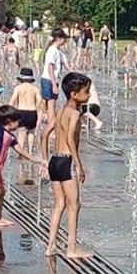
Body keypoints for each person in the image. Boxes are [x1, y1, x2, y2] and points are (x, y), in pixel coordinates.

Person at [41, 72, 94, 259]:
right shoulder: (75, 114)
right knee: (74, 205)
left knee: (59, 205)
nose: (89, 95)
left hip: (55, 160)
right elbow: (71, 139)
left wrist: (45, 160)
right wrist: (79, 165)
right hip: (67, 161)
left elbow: (44, 135)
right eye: (86, 92)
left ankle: (51, 246)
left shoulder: (60, 111)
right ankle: (71, 248)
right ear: (74, 94)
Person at [0, 105, 37, 227]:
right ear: (9, 121)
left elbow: (19, 149)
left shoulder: (9, 136)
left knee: (1, 191)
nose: (19, 124)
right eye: (17, 121)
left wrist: (34, 159)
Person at [7, 68, 41, 184]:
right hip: (32, 112)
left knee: (21, 132)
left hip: (21, 111)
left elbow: (12, 101)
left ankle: (20, 153)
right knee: (31, 132)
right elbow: (40, 102)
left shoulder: (18, 88)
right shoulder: (35, 88)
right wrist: (42, 113)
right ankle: (30, 151)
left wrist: (9, 112)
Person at [41, 29, 69, 117]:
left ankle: (45, 123)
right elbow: (50, 68)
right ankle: (52, 127)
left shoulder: (58, 52)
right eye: (64, 38)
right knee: (51, 104)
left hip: (52, 80)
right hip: (48, 80)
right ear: (58, 38)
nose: (65, 40)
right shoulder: (52, 51)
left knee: (49, 104)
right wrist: (54, 85)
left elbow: (67, 66)